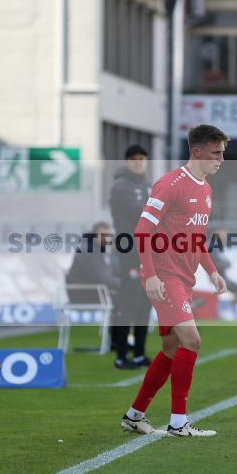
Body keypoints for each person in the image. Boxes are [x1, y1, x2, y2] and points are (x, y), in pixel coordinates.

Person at [120, 124, 228, 438]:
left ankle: (134, 415)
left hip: (184, 276)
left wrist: (212, 270)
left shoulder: (206, 189)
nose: (221, 159)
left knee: (170, 349)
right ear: (197, 151)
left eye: (223, 153)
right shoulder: (170, 184)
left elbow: (197, 239)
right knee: (191, 341)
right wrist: (151, 275)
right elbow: (142, 230)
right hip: (165, 277)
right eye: (216, 153)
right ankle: (178, 422)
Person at [109, 144, 153, 369]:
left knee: (145, 302)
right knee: (128, 301)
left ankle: (139, 353)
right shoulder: (121, 185)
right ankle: (120, 354)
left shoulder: (146, 185)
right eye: (134, 158)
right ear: (127, 161)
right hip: (130, 252)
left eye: (142, 158)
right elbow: (141, 212)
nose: (138, 162)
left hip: (147, 250)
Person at [65, 221, 120, 303]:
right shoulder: (88, 251)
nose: (106, 238)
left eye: (108, 235)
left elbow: (106, 275)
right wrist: (122, 284)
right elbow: (101, 277)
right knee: (125, 299)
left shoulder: (98, 251)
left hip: (93, 293)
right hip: (85, 295)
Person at [210, 229, 237, 304]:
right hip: (218, 277)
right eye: (223, 236)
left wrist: (226, 263)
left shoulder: (218, 248)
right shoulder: (212, 248)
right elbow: (218, 263)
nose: (225, 238)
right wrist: (227, 264)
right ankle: (229, 307)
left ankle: (230, 307)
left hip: (223, 277)